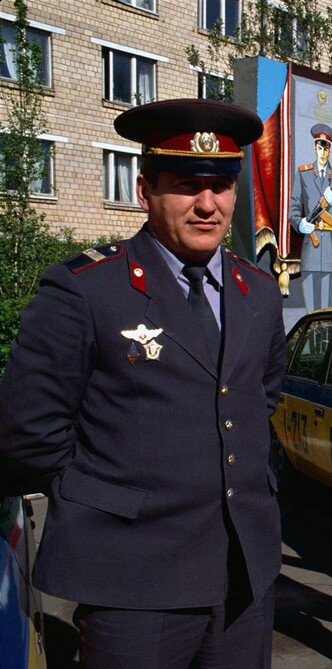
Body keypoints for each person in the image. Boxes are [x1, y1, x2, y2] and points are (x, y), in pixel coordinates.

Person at [0, 99, 287, 668]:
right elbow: (26, 431)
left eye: (222, 185)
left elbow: (259, 398)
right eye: (186, 185)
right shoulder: (86, 289)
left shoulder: (258, 291)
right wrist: (105, 497)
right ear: (145, 191)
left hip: (242, 575)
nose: (208, 204)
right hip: (133, 577)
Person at [289, 122, 332, 309]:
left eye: (326, 149)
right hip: (310, 246)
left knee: (327, 311)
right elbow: (294, 207)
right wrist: (300, 224)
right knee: (311, 311)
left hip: (330, 251)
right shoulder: (304, 174)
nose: (323, 153)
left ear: (330, 150)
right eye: (319, 148)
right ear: (314, 148)